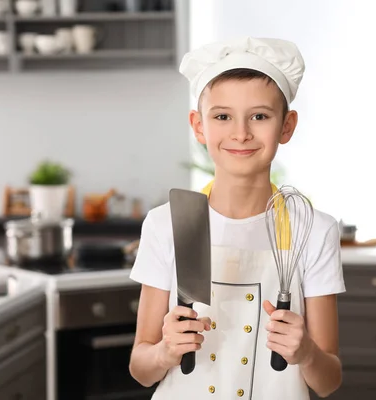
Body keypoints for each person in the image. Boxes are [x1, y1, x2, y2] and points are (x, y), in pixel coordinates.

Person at [128, 36, 345, 399]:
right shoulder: (169, 223)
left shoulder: (314, 231)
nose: (241, 133)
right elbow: (140, 369)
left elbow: (328, 381)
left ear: (287, 126)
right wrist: (166, 351)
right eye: (222, 116)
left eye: (259, 116)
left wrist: (306, 353)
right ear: (199, 126)